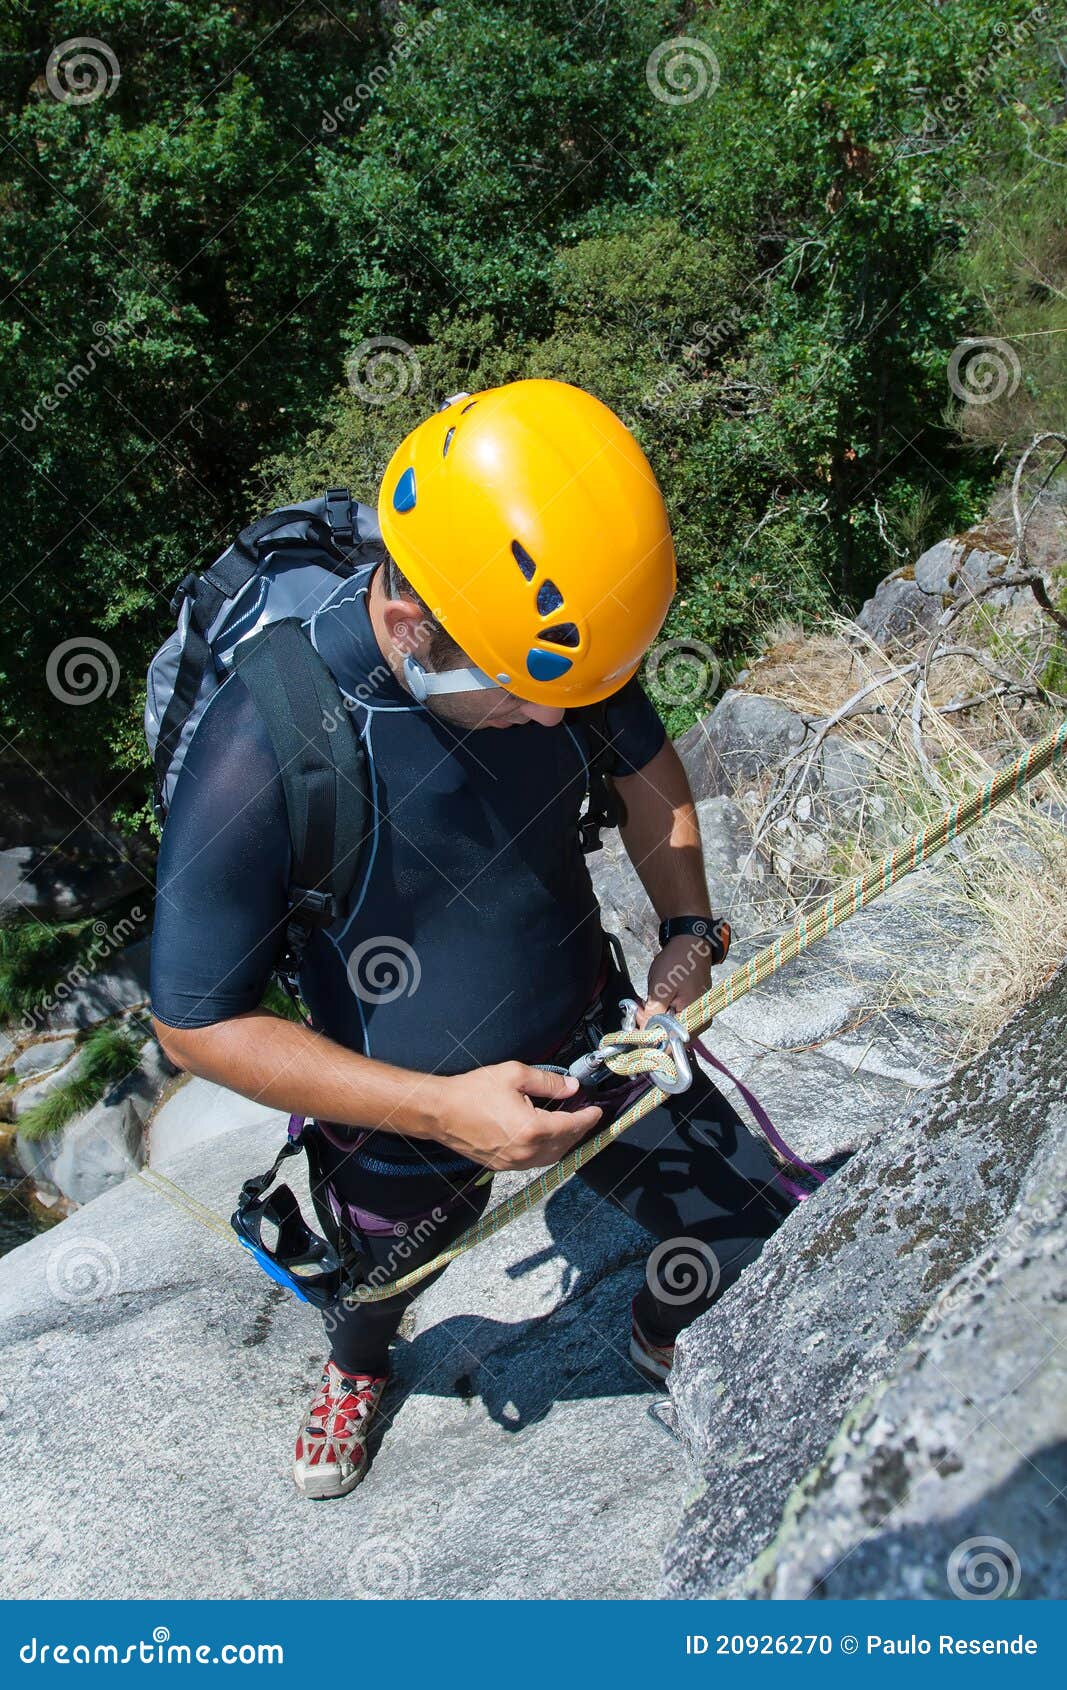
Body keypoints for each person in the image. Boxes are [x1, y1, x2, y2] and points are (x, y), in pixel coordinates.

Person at [150, 379, 794, 1501]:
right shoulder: (268, 736)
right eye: (522, 692)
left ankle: (659, 1331)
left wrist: (685, 927)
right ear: (410, 623)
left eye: (567, 692)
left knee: (749, 1228)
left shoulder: (543, 642)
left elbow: (646, 775)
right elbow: (194, 1020)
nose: (554, 719)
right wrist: (442, 1111)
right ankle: (357, 1368)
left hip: (592, 1035)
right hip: (393, 1109)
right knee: (373, 1290)